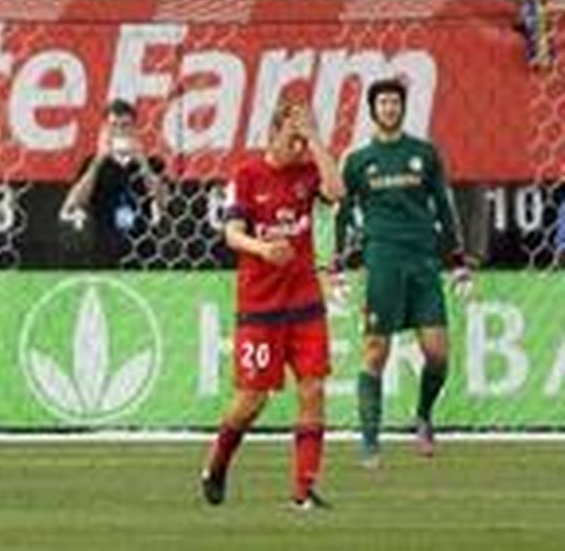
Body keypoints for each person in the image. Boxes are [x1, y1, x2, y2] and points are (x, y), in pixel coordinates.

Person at [202, 100, 344, 510]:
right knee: (252, 399)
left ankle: (303, 490)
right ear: (273, 133)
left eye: (303, 139)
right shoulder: (247, 175)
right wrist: (263, 249)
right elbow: (231, 234)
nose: (299, 147)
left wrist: (315, 140)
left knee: (313, 389)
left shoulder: (309, 170)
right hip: (260, 305)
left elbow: (337, 192)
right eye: (293, 138)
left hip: (304, 301)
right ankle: (217, 462)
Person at [335, 78, 474, 467]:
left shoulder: (424, 154)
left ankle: (423, 417)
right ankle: (369, 440)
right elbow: (343, 214)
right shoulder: (358, 160)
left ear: (403, 107)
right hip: (381, 260)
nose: (389, 108)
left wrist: (457, 261)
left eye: (395, 102)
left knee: (438, 353)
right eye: (383, 102)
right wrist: (337, 267)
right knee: (375, 350)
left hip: (423, 260)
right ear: (373, 109)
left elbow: (443, 207)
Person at [60, 99, 168, 267]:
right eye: (113, 126)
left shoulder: (153, 163)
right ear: (105, 130)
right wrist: (99, 160)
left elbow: (163, 202)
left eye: (125, 126)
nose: (119, 131)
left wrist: (142, 161)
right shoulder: (92, 164)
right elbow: (72, 205)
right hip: (102, 255)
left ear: (135, 130)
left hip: (144, 256)